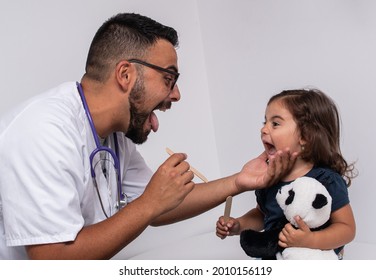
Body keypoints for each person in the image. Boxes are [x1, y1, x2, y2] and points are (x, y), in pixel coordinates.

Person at [0, 13, 297, 260]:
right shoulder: (43, 131)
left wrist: (238, 182)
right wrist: (149, 204)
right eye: (169, 79)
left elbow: (162, 203)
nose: (177, 95)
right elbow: (51, 263)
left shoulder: (114, 138)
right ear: (126, 75)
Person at [216, 89, 356, 259]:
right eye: (264, 122)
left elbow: (347, 229)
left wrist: (311, 239)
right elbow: (261, 215)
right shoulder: (268, 179)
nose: (263, 129)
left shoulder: (326, 180)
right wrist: (238, 225)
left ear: (305, 136)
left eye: (275, 124)